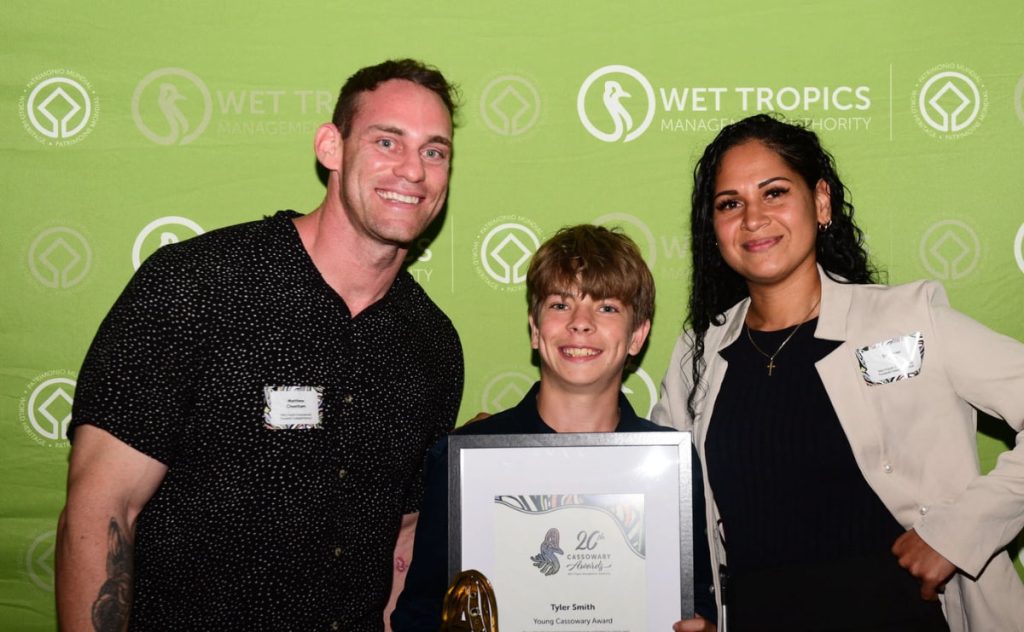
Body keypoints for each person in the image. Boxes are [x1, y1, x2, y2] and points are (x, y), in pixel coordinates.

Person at [56, 59, 464, 631]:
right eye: (387, 141)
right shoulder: (196, 286)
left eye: (434, 151)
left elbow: (402, 541)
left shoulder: (433, 345)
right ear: (331, 146)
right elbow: (102, 508)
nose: (413, 171)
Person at [652, 113, 1024, 631]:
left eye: (775, 193)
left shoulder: (907, 317)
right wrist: (512, 439)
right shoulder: (699, 353)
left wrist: (958, 532)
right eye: (730, 203)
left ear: (821, 201)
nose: (753, 218)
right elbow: (660, 497)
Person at [391, 225, 717, 632]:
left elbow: (695, 597)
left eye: (607, 307)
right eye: (560, 305)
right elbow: (420, 612)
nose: (580, 323)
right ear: (534, 328)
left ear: (638, 335)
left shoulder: (672, 465)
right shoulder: (464, 462)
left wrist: (703, 626)